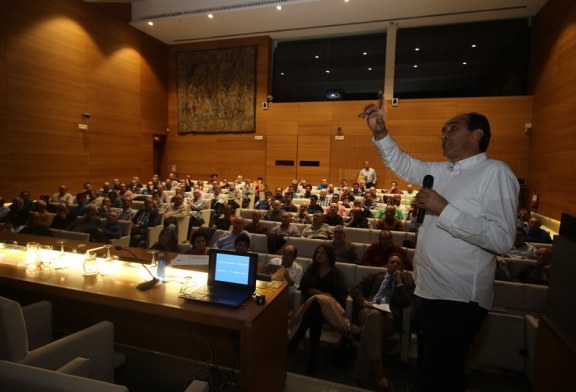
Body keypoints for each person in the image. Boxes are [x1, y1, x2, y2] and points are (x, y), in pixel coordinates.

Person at [361, 103, 518, 391]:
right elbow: (403, 163)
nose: (444, 133)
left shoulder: (494, 172)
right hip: (429, 292)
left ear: (477, 135)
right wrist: (381, 134)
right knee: (433, 374)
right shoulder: (444, 171)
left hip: (459, 299)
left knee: (437, 379)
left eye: (454, 128)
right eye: (443, 129)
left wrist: (444, 209)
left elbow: (501, 238)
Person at [350, 253, 415, 390]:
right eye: (392, 262)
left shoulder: (405, 284)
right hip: (368, 311)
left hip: (389, 318)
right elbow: (355, 289)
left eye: (398, 263)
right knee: (374, 316)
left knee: (373, 325)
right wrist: (363, 301)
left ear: (402, 268)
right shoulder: (374, 277)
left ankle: (362, 376)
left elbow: (406, 303)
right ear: (387, 265)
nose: (395, 265)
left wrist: (399, 283)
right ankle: (378, 372)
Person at [288, 244, 348, 376]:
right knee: (315, 308)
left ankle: (296, 340)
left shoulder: (335, 274)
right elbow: (303, 287)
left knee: (316, 306)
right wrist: (317, 293)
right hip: (312, 307)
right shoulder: (312, 269)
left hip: (329, 310)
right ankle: (312, 359)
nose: (318, 255)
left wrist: (322, 297)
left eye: (322, 253)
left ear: (328, 256)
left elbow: (340, 296)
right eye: (317, 253)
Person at [264, 244, 303, 313]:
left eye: (289, 254)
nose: (285, 257)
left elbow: (296, 290)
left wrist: (289, 279)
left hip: (285, 298)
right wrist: (265, 270)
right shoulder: (274, 261)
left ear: (294, 257)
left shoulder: (298, 269)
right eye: (284, 253)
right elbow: (264, 278)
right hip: (269, 292)